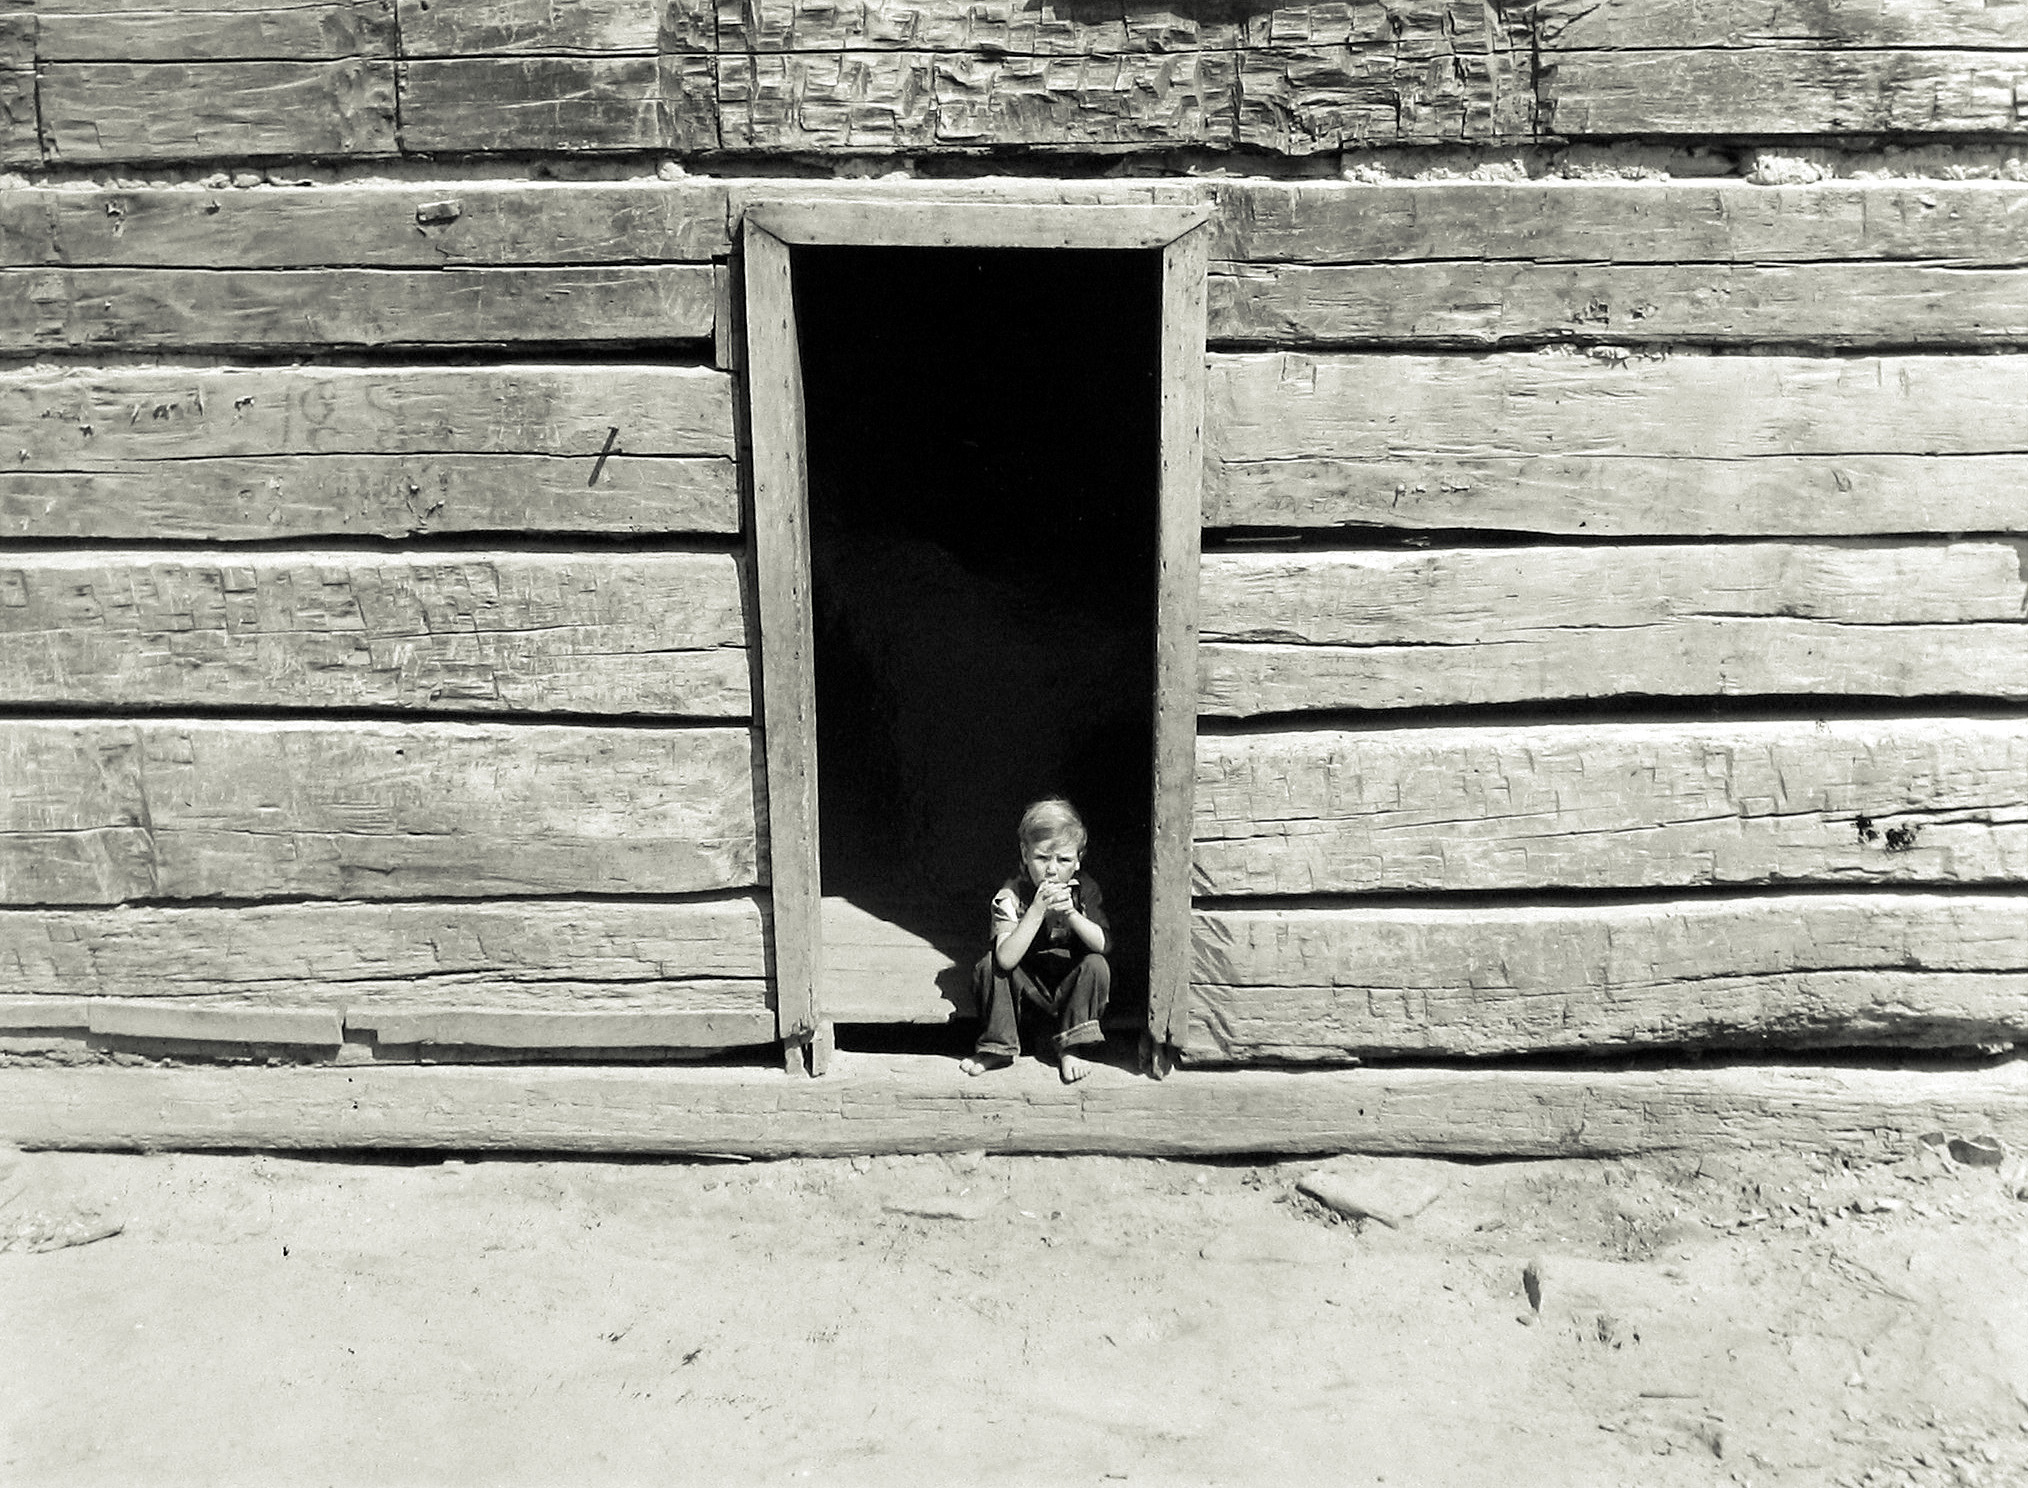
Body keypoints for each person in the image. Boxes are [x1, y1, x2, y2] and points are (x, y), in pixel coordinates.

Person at [960, 797, 1112, 1084]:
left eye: (1064, 860)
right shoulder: (1011, 894)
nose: (1052, 870)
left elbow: (1104, 945)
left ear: (1078, 859)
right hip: (1026, 993)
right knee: (989, 965)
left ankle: (1072, 1046)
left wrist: (1073, 916)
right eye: (1042, 858)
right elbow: (1006, 958)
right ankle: (998, 1046)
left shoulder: (1086, 890)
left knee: (1096, 965)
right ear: (1024, 855)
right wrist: (1036, 910)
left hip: (1068, 990)